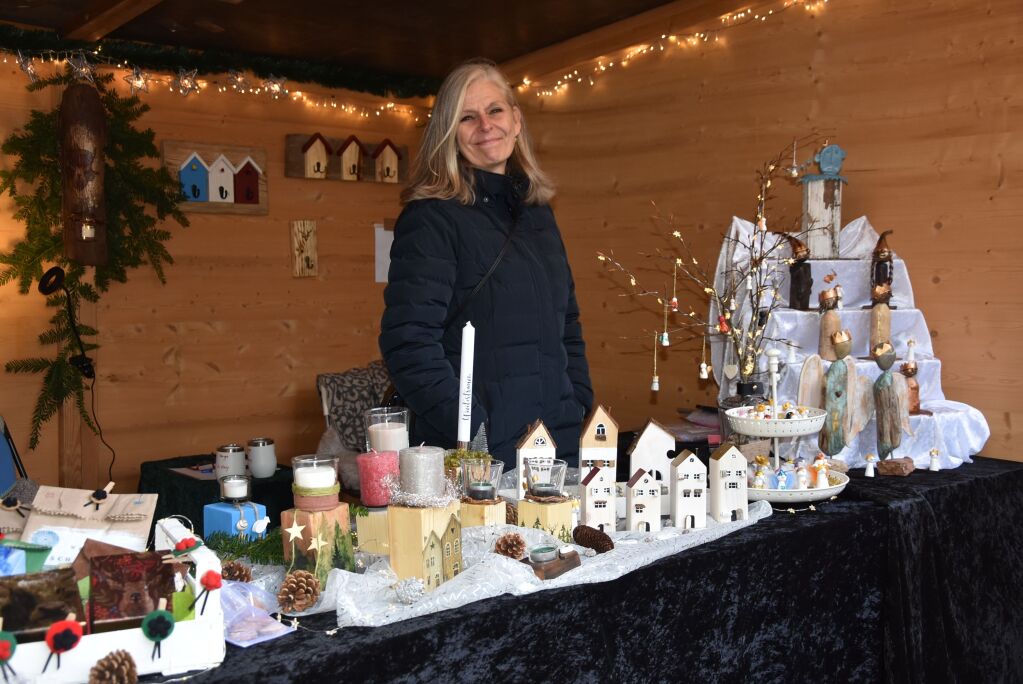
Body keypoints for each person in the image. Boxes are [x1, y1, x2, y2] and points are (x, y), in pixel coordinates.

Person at [379, 58, 593, 469]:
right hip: (479, 460)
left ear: (515, 120)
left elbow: (567, 324)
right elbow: (408, 343)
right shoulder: (431, 219)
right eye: (467, 117)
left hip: (555, 446)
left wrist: (577, 401)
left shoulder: (538, 214)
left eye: (494, 110)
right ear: (449, 133)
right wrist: (472, 431)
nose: (485, 125)